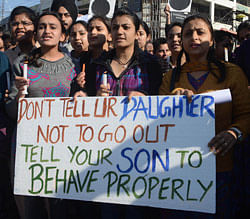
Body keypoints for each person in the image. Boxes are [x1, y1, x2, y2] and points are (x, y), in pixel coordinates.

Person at [159, 15, 250, 218]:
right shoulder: (170, 78)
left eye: (200, 32)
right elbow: (158, 119)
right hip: (178, 171)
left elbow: (246, 115)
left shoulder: (233, 73)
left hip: (223, 170)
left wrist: (234, 133)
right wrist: (173, 101)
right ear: (181, 41)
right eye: (188, 34)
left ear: (212, 40)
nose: (194, 37)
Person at [5, 12, 78, 219]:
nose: (47, 31)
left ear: (63, 35)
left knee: (60, 207)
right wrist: (20, 95)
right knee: (30, 208)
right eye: (42, 27)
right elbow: (11, 110)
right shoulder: (23, 64)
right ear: (36, 33)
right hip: (30, 146)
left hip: (64, 146)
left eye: (53, 27)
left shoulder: (75, 66)